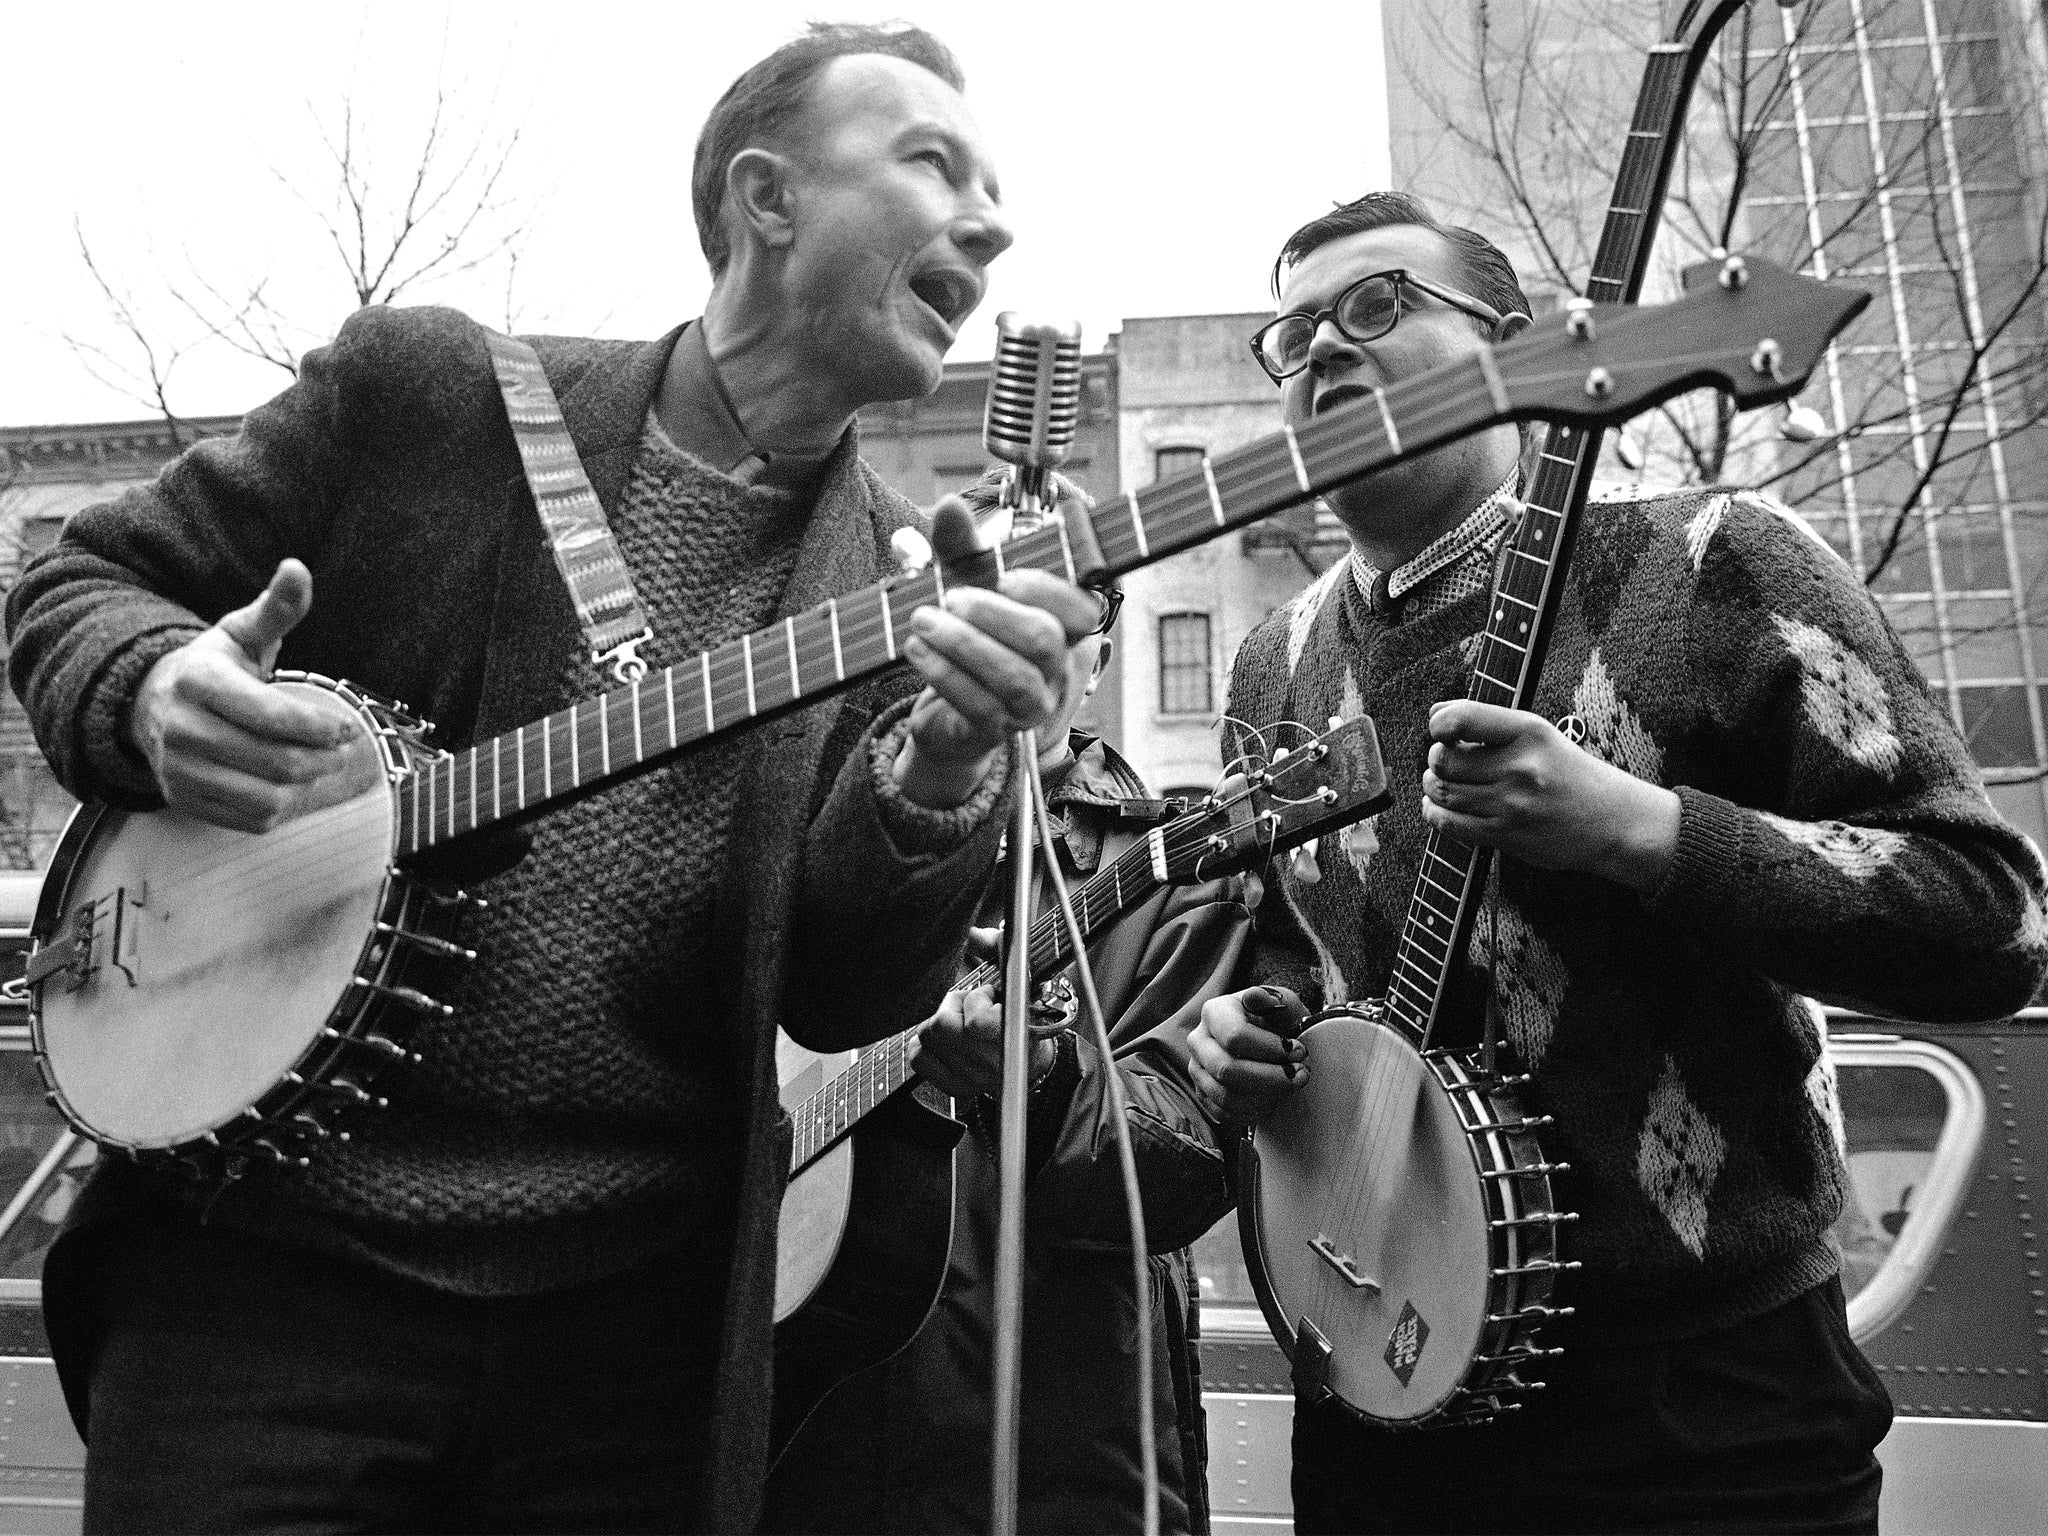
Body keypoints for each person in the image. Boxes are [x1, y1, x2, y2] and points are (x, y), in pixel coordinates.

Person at [5, 23, 1098, 1535]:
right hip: (261, 1289)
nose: (991, 224)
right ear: (766, 198)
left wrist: (953, 756)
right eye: (934, 165)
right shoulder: (432, 393)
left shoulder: (908, 580)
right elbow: (79, 582)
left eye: (995, 191)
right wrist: (149, 687)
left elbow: (850, 993)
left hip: (632, 1358)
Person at [1186, 191, 2048, 1535]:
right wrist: (1249, 1034)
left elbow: (1989, 923)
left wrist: (1639, 830)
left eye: (1376, 306)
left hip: (1704, 1408)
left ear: (1512, 344)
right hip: (1374, 1384)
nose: (1323, 352)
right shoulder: (1270, 664)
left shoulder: (1713, 559)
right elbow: (1296, 960)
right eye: (1290, 338)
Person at [761, 477, 1256, 1535]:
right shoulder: (826, 847)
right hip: (819, 1425)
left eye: (1050, 599)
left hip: (1060, 1451)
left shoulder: (1177, 867)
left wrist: (1038, 1076)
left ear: (1098, 658)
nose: (1012, 629)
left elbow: (1184, 1165)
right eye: (978, 592)